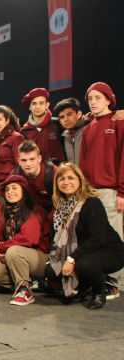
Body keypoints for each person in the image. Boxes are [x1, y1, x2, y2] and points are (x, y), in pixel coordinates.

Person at [44, 163, 124, 309]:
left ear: (80, 181)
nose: (66, 182)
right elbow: (56, 238)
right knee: (51, 269)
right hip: (83, 252)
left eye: (71, 178)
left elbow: (97, 239)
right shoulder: (59, 208)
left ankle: (99, 291)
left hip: (109, 250)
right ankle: (83, 287)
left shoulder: (92, 202)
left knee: (83, 265)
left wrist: (71, 258)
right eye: (61, 179)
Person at [0, 175, 50, 306]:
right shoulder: (3, 212)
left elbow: (28, 238)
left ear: (23, 190)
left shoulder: (34, 210)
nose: (10, 192)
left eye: (14, 188)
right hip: (13, 256)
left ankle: (25, 290)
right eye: (7, 189)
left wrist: (3, 248)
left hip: (38, 258)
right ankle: (27, 283)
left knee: (14, 250)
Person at [79, 82, 124, 266]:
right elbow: (83, 164)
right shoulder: (88, 127)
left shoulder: (118, 122)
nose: (93, 102)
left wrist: (122, 191)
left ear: (108, 100)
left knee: (114, 236)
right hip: (90, 192)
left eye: (98, 98)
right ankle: (102, 279)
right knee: (94, 236)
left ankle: (117, 282)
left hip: (111, 190)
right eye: (90, 99)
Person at [19, 87, 65, 161]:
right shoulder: (24, 132)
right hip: (36, 172)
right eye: (34, 103)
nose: (37, 107)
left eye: (41, 103)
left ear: (47, 105)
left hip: (58, 171)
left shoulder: (58, 124)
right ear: (29, 107)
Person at [14, 140, 56, 214]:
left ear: (39, 158)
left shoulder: (54, 173)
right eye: (24, 160)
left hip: (54, 210)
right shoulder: (16, 175)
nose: (28, 164)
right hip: (31, 211)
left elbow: (63, 203)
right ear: (19, 161)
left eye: (32, 159)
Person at [53, 98, 86, 166]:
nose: (66, 119)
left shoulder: (90, 130)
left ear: (79, 114)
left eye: (69, 114)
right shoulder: (62, 138)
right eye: (62, 117)